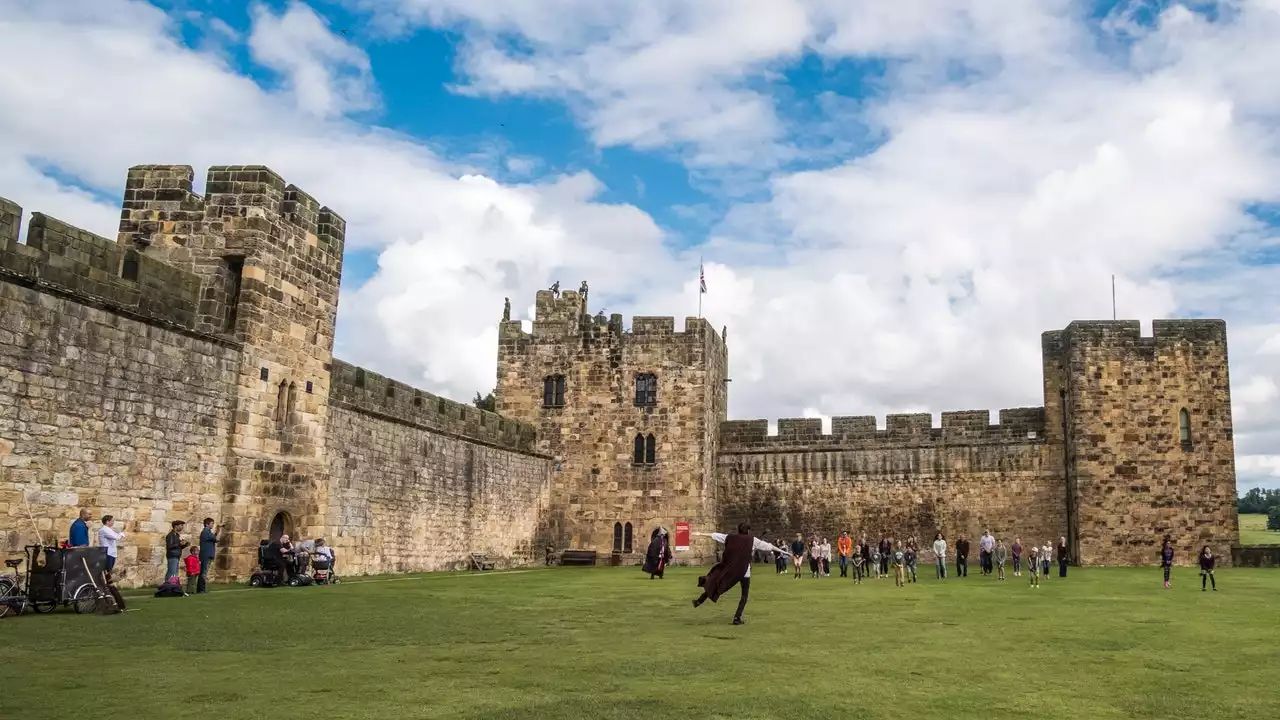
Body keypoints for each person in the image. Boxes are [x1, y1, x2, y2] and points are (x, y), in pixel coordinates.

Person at [693, 524, 786, 625]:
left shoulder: (731, 538)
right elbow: (769, 546)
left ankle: (699, 600)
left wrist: (700, 533)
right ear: (748, 531)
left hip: (733, 570)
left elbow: (715, 535)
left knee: (718, 583)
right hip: (744, 571)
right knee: (744, 595)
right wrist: (785, 553)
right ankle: (737, 618)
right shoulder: (752, 540)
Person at [197, 518, 221, 594]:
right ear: (207, 524)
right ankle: (201, 589)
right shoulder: (206, 532)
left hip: (207, 554)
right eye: (211, 523)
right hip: (206, 555)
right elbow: (217, 539)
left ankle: (201, 589)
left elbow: (214, 537)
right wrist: (219, 530)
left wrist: (218, 529)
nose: (212, 525)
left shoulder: (208, 532)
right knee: (203, 573)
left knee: (204, 572)